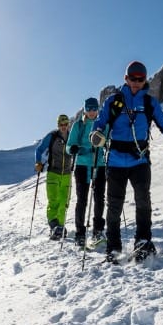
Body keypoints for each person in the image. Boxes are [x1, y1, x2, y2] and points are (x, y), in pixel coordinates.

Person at [90, 60, 163, 263]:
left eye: (140, 79)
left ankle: (143, 242)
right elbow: (100, 122)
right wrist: (96, 134)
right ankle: (113, 248)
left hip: (139, 161)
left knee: (143, 202)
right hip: (115, 161)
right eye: (133, 78)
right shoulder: (113, 101)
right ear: (126, 78)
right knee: (114, 206)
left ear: (144, 80)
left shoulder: (150, 103)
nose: (136, 83)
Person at [66, 97, 107, 247]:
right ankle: (80, 233)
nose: (91, 112)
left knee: (99, 198)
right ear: (84, 110)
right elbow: (69, 146)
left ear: (98, 109)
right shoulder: (79, 125)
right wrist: (73, 149)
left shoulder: (102, 124)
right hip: (83, 165)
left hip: (99, 164)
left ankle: (98, 231)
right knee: (82, 200)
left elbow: (108, 140)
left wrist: (107, 146)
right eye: (88, 109)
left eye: (94, 109)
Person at [34, 114, 74, 240]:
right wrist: (38, 162)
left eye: (65, 124)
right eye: (61, 125)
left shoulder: (72, 137)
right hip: (53, 173)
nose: (63, 127)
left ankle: (61, 227)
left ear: (68, 124)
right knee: (54, 200)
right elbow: (39, 150)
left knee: (64, 202)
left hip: (67, 174)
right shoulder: (52, 136)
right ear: (58, 125)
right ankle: (54, 226)